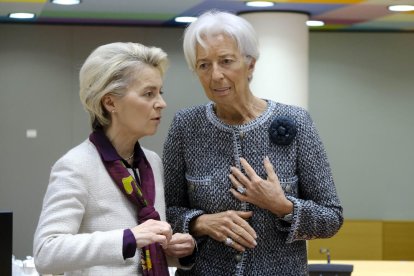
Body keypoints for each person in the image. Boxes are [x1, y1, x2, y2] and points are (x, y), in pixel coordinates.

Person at [163, 11, 344, 275]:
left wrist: (282, 206)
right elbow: (165, 213)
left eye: (226, 61)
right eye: (204, 65)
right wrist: (200, 222)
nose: (216, 75)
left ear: (250, 64)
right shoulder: (185, 126)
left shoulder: (298, 121)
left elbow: (331, 218)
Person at [33, 42, 195, 276]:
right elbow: (46, 253)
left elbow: (138, 254)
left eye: (160, 92)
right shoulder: (76, 166)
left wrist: (177, 251)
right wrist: (128, 237)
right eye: (149, 93)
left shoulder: (152, 162)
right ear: (110, 102)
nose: (161, 103)